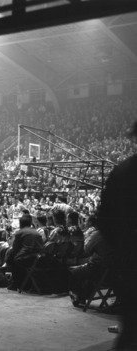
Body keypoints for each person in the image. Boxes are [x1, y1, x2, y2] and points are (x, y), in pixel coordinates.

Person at [97, 121, 137, 350]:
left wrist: (121, 252)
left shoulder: (122, 172)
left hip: (128, 260)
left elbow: (104, 221)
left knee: (130, 328)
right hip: (128, 259)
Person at [6, 214, 43, 291]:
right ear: (30, 223)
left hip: (27, 259)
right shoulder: (36, 232)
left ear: (20, 224)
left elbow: (15, 249)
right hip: (39, 259)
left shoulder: (20, 233)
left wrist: (8, 260)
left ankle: (15, 284)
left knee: (13, 258)